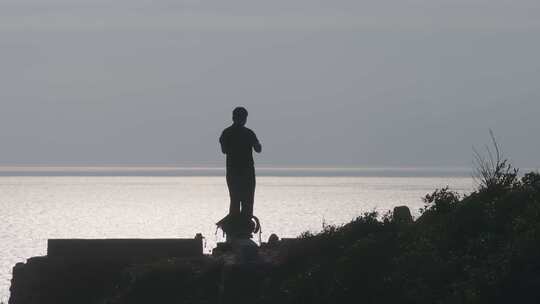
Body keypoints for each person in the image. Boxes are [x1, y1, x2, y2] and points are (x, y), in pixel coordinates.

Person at [219, 107, 262, 219]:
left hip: (235, 172)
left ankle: (237, 228)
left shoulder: (226, 133)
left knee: (235, 201)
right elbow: (258, 149)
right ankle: (243, 228)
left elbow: (224, 150)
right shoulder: (248, 133)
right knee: (246, 201)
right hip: (245, 173)